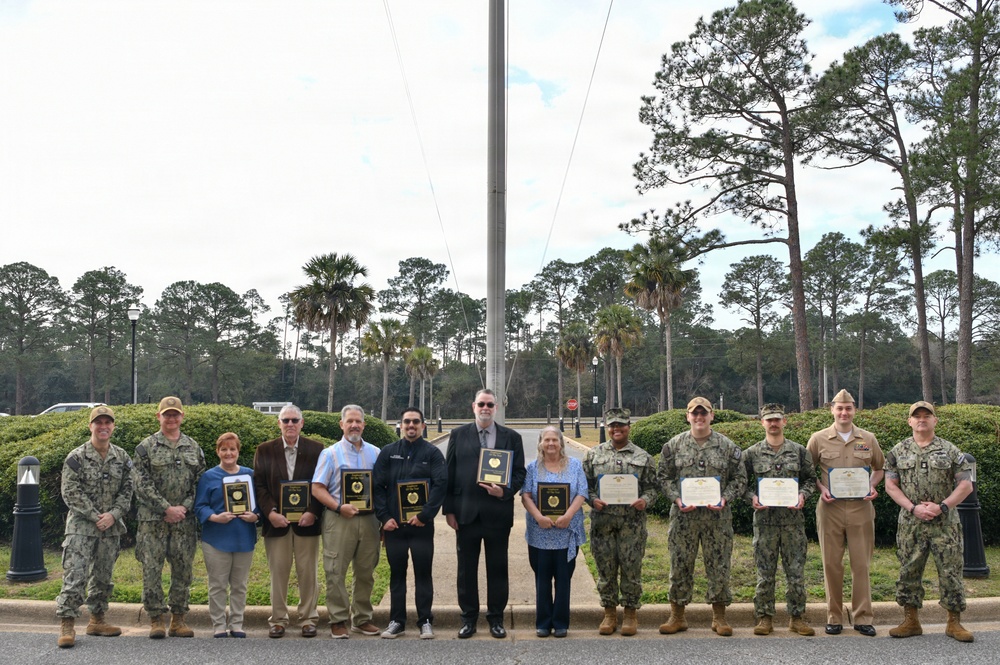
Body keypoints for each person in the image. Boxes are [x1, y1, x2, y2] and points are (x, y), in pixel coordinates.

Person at [884, 401, 975, 642]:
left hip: (944, 523)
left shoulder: (950, 450)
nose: (922, 419)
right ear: (910, 421)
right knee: (908, 569)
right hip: (911, 522)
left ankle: (954, 623)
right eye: (917, 416)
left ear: (935, 420)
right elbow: (890, 485)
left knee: (951, 570)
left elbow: (965, 484)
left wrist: (942, 506)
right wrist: (913, 508)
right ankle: (911, 620)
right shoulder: (898, 451)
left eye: (927, 415)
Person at [658, 397, 746, 637]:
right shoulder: (673, 446)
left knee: (719, 566)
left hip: (717, 520)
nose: (699, 418)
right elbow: (662, 477)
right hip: (683, 518)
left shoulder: (727, 447)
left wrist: (725, 498)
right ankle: (677, 616)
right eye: (694, 414)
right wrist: (677, 498)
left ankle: (719, 617)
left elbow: (740, 478)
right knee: (680, 566)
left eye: (703, 413)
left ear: (711, 416)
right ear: (687, 416)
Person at [444, 388, 526, 639]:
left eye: (490, 404)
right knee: (466, 570)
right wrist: (448, 510)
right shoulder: (458, 435)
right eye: (481, 404)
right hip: (466, 514)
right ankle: (468, 618)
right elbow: (449, 473)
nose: (485, 408)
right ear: (473, 406)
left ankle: (496, 618)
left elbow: (520, 473)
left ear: (497, 407)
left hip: (497, 514)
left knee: (497, 568)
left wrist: (504, 492)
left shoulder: (511, 437)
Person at [806, 388, 885, 637]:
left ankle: (863, 617)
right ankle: (834, 616)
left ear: (854, 410)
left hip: (861, 508)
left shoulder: (868, 438)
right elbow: (808, 471)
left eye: (848, 408)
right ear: (832, 410)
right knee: (831, 564)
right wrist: (821, 488)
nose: (843, 412)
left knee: (861, 564)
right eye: (839, 408)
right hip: (830, 508)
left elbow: (880, 468)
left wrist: (872, 486)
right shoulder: (818, 439)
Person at [55, 406, 134, 648]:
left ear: (113, 427)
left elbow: (128, 490)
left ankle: (97, 620)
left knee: (103, 577)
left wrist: (113, 515)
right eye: (98, 422)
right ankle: (67, 625)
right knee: (75, 575)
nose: (103, 426)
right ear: (91, 426)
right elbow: (70, 492)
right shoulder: (76, 457)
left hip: (110, 528)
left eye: (108, 422)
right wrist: (94, 515)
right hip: (81, 527)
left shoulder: (122, 458)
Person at [132, 396, 206, 639]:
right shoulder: (145, 447)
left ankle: (178, 619)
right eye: (167, 414)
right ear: (158, 417)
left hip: (184, 522)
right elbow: (141, 484)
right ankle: (155, 619)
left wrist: (183, 507)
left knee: (183, 570)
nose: (171, 418)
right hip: (153, 521)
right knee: (152, 570)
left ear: (182, 416)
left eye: (176, 414)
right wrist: (166, 508)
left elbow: (200, 482)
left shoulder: (193, 447)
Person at [582, 408, 659, 637]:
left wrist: (645, 501)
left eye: (621, 425)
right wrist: (592, 500)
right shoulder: (592, 455)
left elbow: (653, 487)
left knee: (631, 568)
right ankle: (609, 613)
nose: (617, 429)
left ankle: (630, 613)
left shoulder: (643, 457)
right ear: (607, 428)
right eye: (612, 425)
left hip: (632, 523)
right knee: (605, 569)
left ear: (629, 427)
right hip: (602, 523)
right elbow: (584, 485)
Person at [372, 407, 447, 640]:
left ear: (423, 425)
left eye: (416, 422)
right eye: (407, 422)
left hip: (421, 526)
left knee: (423, 574)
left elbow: (440, 485)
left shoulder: (433, 453)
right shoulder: (388, 452)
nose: (411, 426)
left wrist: (425, 515)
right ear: (400, 425)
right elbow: (377, 487)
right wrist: (384, 518)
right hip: (394, 526)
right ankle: (397, 621)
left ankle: (425, 620)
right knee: (397, 575)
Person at [743, 403, 817, 637]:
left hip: (793, 523)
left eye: (777, 419)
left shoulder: (799, 451)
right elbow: (740, 484)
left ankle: (797, 617)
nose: (773, 423)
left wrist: (803, 495)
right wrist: (751, 498)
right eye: (769, 419)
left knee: (795, 572)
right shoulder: (751, 453)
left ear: (784, 421)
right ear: (762, 422)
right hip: (764, 522)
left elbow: (811, 480)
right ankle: (765, 617)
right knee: (765, 572)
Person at [312, 404, 382, 639]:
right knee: (335, 571)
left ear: (364, 425)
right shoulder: (330, 454)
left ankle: (362, 619)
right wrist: (337, 506)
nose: (354, 425)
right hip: (339, 518)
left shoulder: (375, 453)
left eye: (358, 421)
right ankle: (339, 619)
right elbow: (317, 488)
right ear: (341, 424)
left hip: (369, 519)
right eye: (349, 421)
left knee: (365, 571)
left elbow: (382, 487)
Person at [254, 404, 324, 638]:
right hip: (277, 524)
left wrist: (313, 511)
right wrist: (271, 513)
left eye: (295, 420)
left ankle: (308, 618)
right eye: (286, 421)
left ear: (302, 423)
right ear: (279, 424)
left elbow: (322, 484)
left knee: (308, 573)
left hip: (308, 523)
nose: (290, 425)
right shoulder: (264, 450)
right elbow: (260, 486)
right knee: (278, 573)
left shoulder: (317, 450)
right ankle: (278, 620)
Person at [522, 426, 588, 638]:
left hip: (566, 532)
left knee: (563, 579)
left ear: (562, 442)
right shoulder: (533, 467)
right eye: (547, 440)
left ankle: (560, 622)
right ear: (541, 443)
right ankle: (543, 622)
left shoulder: (575, 465)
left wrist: (568, 515)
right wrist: (539, 517)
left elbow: (582, 493)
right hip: (539, 532)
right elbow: (526, 495)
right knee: (542, 579)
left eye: (555, 440)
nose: (551, 444)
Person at [194, 432, 259, 638]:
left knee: (240, 585)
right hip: (216, 539)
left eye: (232, 449)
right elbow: (200, 506)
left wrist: (255, 516)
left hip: (243, 537)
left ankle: (237, 623)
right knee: (218, 584)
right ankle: (219, 625)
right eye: (224, 449)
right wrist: (214, 517)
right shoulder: (209, 476)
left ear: (238, 451)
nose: (228, 453)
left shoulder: (250, 475)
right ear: (218, 451)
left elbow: (261, 505)